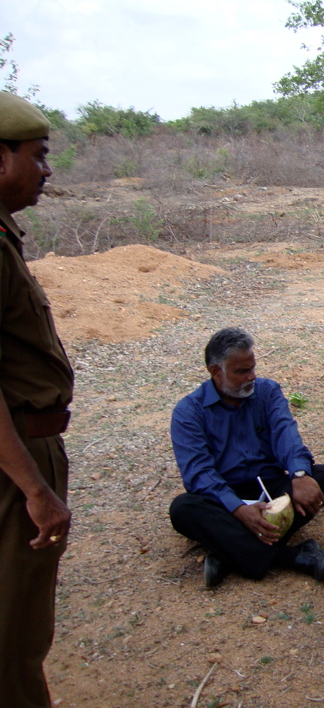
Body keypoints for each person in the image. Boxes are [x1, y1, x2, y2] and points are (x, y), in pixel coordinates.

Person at [0, 93, 75, 708]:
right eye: (37, 156)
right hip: (12, 460)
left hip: (23, 448)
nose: (46, 171)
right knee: (12, 635)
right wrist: (34, 489)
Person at [169, 327, 324, 587]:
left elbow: (287, 436)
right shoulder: (189, 412)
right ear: (216, 372)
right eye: (242, 372)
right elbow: (199, 473)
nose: (252, 377)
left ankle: (228, 553)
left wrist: (300, 474)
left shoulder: (267, 392)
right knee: (183, 509)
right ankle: (292, 557)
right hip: (223, 498)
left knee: (322, 478)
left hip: (270, 489)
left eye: (253, 368)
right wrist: (237, 509)